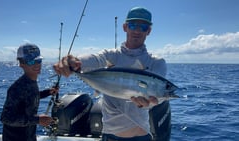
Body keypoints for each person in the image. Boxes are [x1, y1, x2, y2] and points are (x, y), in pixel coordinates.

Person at [53, 7, 167, 141]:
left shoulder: (157, 62)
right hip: (109, 135)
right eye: (132, 25)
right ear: (125, 27)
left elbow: (158, 96)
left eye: (143, 27)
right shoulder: (110, 55)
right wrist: (73, 62)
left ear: (149, 31)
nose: (137, 30)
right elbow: (94, 59)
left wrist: (149, 103)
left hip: (141, 135)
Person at [0, 43, 59, 141]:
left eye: (38, 60)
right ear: (21, 64)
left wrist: (48, 92)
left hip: (29, 136)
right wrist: (38, 120)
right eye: (30, 61)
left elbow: (30, 97)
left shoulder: (31, 81)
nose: (36, 64)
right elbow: (6, 118)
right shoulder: (16, 88)